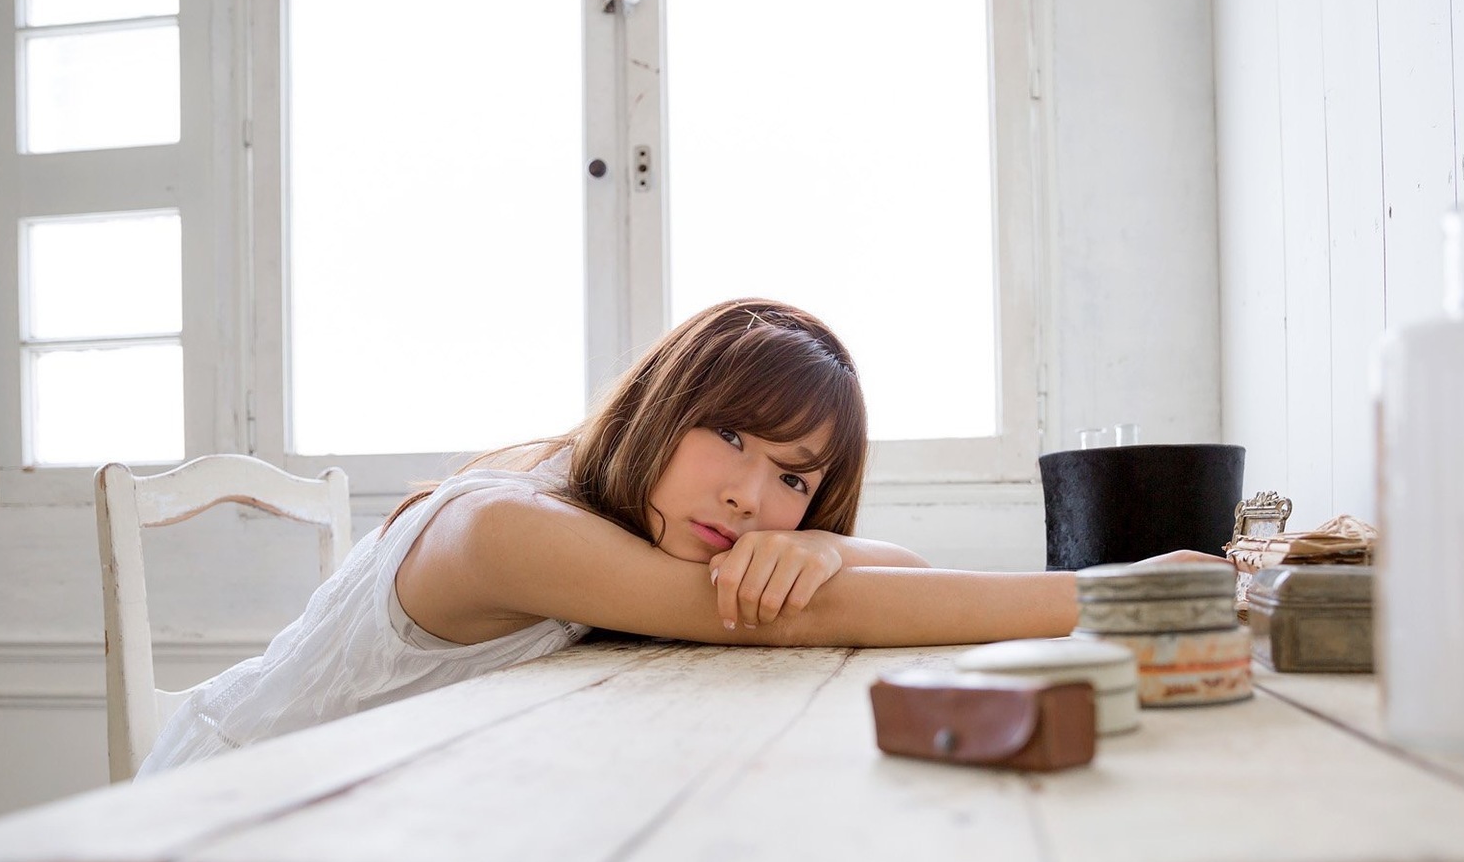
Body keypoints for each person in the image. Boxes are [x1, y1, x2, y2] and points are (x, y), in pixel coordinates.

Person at [139, 297, 1176, 777]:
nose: (745, 495)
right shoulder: (507, 526)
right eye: (725, 433)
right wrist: (1127, 593)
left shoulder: (618, 510)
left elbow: (886, 571)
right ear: (661, 401)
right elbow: (778, 622)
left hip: (363, 797)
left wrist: (816, 547)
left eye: (793, 478)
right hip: (224, 803)